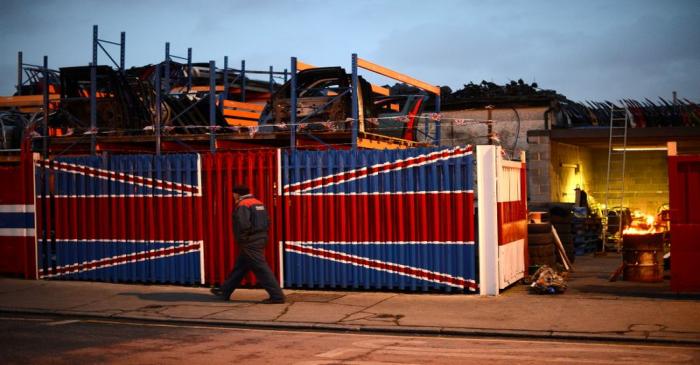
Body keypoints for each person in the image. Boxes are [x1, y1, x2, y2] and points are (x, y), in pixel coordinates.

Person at [211, 185, 285, 304]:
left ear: (236, 194)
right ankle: (225, 291)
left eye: (233, 194)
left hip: (250, 241)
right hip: (260, 237)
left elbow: (243, 224)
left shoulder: (243, 205)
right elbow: (268, 221)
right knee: (241, 267)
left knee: (261, 268)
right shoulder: (258, 202)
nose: (232, 196)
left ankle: (277, 296)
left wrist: (243, 239)